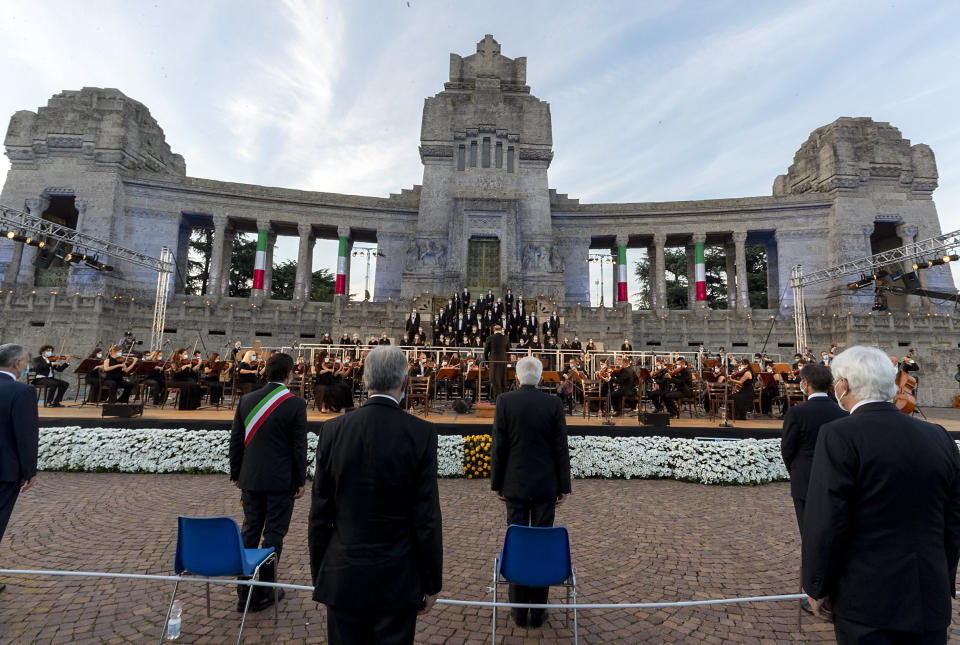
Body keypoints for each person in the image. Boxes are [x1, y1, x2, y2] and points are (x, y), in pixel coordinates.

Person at [802, 346, 960, 643]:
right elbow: (953, 520)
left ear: (843, 385)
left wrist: (816, 585)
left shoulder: (839, 434)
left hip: (866, 598)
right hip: (928, 592)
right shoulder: (938, 435)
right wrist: (944, 578)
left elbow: (826, 519)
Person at [310, 346, 442, 645]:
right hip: (398, 578)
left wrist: (321, 577)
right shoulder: (421, 433)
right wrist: (432, 581)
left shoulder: (332, 431)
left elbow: (320, 513)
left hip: (342, 575)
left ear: (365, 380)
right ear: (405, 382)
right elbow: (426, 517)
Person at [491, 356, 571, 629]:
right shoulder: (553, 403)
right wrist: (563, 486)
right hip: (545, 485)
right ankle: (537, 610)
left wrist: (497, 483)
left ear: (517, 377)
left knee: (518, 542)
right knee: (540, 545)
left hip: (514, 483)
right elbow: (561, 446)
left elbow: (499, 445)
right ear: (540, 378)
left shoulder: (505, 401)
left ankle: (517, 609)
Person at [229, 353, 307, 613]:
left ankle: (243, 592)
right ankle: (265, 590)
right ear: (289, 374)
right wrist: (299, 480)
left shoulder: (246, 400)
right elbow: (299, 447)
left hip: (250, 478)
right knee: (274, 534)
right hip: (281, 481)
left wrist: (237, 474)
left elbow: (236, 441)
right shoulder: (295, 404)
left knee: (249, 530)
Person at [779, 363, 847, 614]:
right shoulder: (842, 412)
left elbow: (787, 449)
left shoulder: (797, 413)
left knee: (810, 538)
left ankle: (816, 593)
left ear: (805, 384)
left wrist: (796, 471)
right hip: (836, 482)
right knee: (835, 534)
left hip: (805, 481)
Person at [0, 344, 39, 593]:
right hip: (4, 471)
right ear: (17, 364)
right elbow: (25, 435)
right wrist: (29, 471)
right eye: (26, 363)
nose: (26, 367)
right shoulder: (22, 391)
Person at [484, 324, 510, 402]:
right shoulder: (506, 338)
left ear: (493, 330)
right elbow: (507, 349)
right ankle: (504, 399)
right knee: (503, 380)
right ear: (501, 329)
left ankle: (497, 400)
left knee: (495, 381)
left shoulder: (490, 338)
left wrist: (487, 363)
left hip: (494, 362)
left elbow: (486, 352)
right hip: (503, 361)